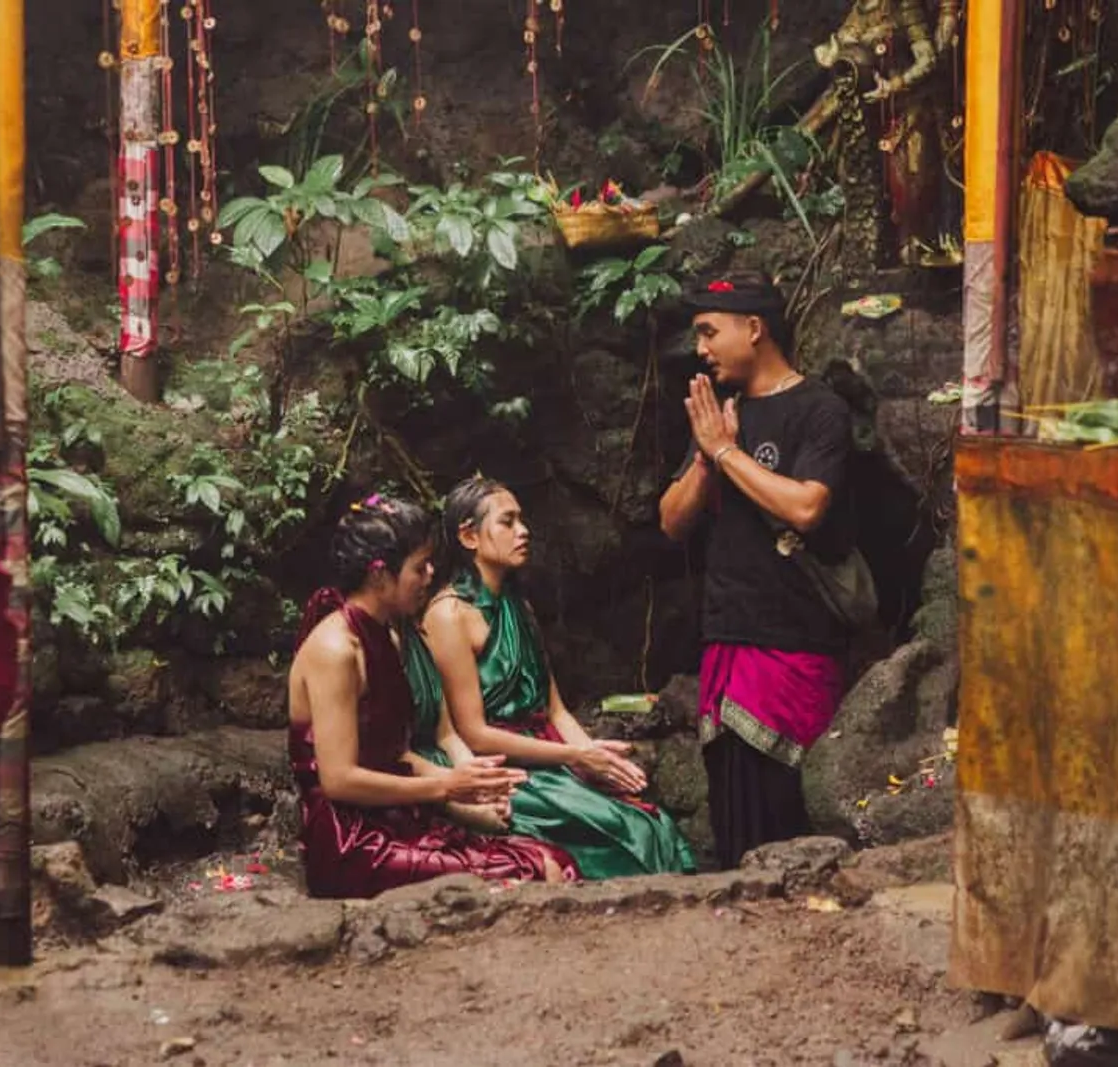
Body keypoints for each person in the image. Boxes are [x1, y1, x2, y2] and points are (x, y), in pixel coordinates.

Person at [657, 270, 856, 869]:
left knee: (788, 808)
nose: (701, 349)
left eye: (709, 332)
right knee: (732, 808)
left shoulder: (820, 410)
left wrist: (725, 452)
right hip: (727, 639)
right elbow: (670, 521)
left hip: (794, 642)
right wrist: (705, 457)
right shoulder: (722, 415)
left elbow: (806, 505)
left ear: (755, 327)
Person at [403, 476, 697, 879]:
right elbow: (473, 733)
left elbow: (555, 710)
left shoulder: (518, 605)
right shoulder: (449, 615)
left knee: (648, 815)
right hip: (498, 764)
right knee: (623, 828)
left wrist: (595, 758)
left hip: (546, 752)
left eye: (521, 521)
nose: (523, 531)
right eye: (507, 522)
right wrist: (576, 756)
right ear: (469, 536)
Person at [287, 493, 577, 899]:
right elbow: (338, 781)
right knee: (535, 870)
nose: (429, 575)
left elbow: (393, 754)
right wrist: (446, 789)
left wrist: (469, 779)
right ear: (379, 576)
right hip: (351, 839)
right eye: (418, 567)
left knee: (552, 858)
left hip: (394, 816)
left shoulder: (386, 633)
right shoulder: (337, 649)